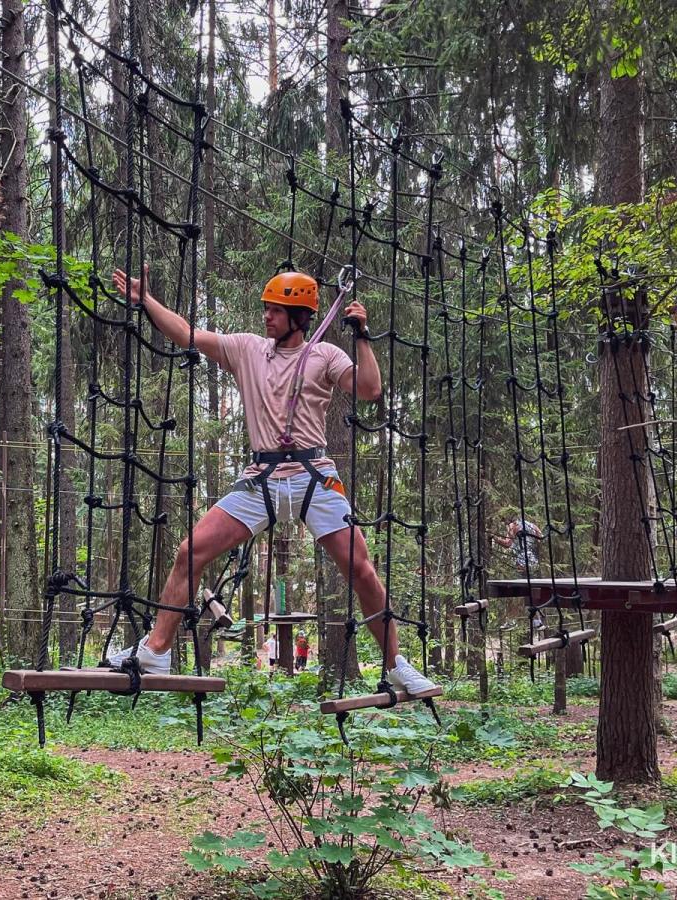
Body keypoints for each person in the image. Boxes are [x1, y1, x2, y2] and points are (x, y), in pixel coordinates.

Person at [104, 266, 437, 696]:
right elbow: (187, 334)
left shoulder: (326, 356)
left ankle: (395, 665)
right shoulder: (247, 349)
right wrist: (145, 300)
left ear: (299, 317)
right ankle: (157, 650)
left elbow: (370, 389)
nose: (267, 317)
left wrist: (362, 335)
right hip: (260, 478)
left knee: (362, 570)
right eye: (266, 310)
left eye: (276, 312)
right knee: (190, 552)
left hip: (314, 476)